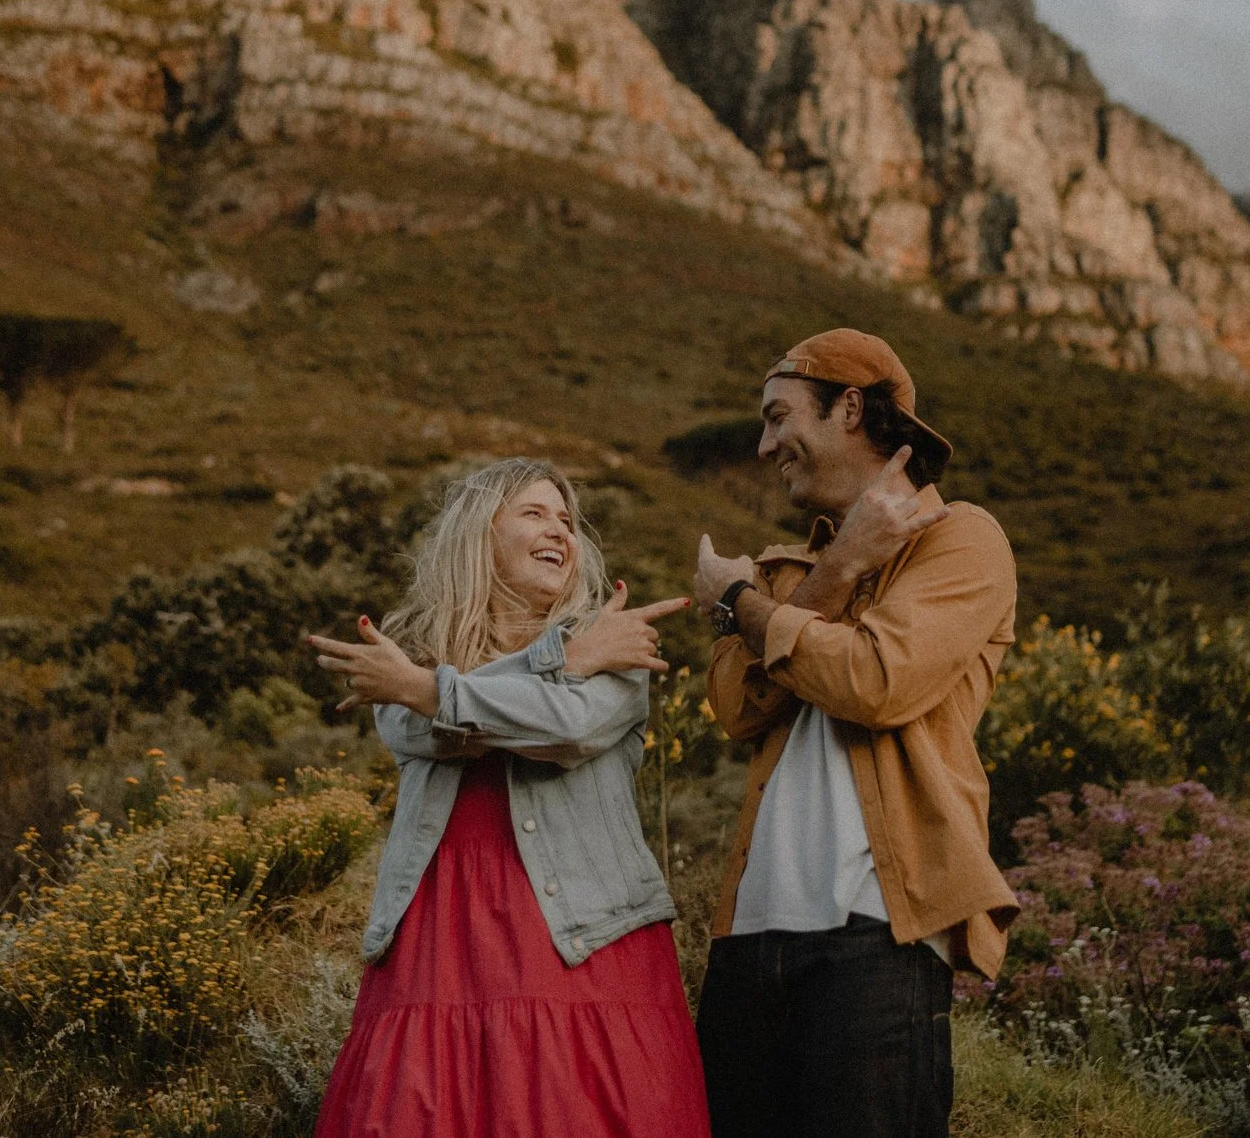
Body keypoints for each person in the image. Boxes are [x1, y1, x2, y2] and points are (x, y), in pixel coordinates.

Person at [306, 457, 709, 1138]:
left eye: (568, 519)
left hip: (581, 938)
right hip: (442, 934)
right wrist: (560, 659)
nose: (560, 529)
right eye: (534, 512)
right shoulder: (421, 651)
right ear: (479, 535)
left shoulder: (616, 643)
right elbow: (414, 726)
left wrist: (440, 685)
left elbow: (565, 726)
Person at [691, 328, 1021, 1138]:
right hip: (748, 942)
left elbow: (877, 682)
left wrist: (740, 603)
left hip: (877, 938)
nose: (767, 445)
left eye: (778, 416)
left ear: (847, 408)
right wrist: (835, 570)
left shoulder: (964, 540)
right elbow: (735, 703)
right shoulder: (792, 569)